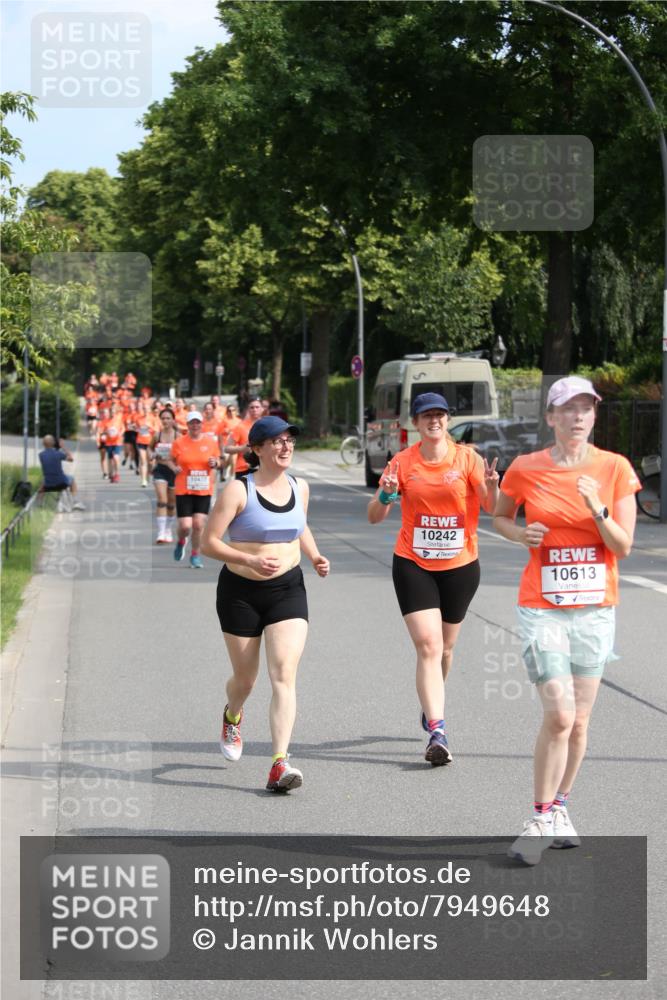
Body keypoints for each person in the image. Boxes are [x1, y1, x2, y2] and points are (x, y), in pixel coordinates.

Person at [493, 376, 639, 865]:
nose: (577, 417)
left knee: (579, 723)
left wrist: (595, 506)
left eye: (585, 408)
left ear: (594, 417)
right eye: (567, 409)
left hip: (595, 611)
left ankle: (560, 806)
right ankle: (538, 818)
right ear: (551, 418)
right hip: (542, 605)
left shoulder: (614, 469)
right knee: (558, 715)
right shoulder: (526, 467)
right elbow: (499, 516)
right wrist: (520, 534)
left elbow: (622, 546)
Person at [367, 392, 499, 766]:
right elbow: (374, 515)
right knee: (428, 644)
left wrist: (493, 484)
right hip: (414, 563)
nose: (434, 421)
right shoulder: (403, 462)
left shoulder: (467, 459)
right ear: (416, 422)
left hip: (460, 565)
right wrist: (387, 495)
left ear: (447, 420)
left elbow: (491, 507)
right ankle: (437, 730)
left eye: (440, 414)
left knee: (444, 650)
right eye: (426, 415)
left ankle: (430, 705)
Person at [201, 415, 329, 792]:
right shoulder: (238, 491)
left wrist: (316, 555)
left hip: (288, 589)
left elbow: (299, 523)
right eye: (276, 441)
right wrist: (249, 560)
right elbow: (208, 543)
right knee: (246, 679)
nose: (285, 446)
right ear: (257, 449)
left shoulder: (299, 486)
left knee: (284, 673)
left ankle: (279, 763)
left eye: (290, 440)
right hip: (240, 591)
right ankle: (232, 714)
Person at [168, 411, 222, 568]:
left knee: (198, 524)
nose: (195, 425)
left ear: (202, 424)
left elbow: (218, 461)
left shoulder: (210, 442)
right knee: (185, 526)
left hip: (203, 489)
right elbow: (170, 460)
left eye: (198, 422)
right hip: (184, 487)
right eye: (192, 422)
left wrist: (215, 463)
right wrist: (174, 468)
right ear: (187, 425)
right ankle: (181, 541)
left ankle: (195, 554)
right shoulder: (179, 442)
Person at [150, 407, 178, 543]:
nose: (165, 420)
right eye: (163, 418)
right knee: (162, 500)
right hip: (160, 469)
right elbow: (150, 449)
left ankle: (168, 529)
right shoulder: (157, 435)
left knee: (171, 504)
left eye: (168, 418)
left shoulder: (178, 436)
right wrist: (153, 455)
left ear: (173, 420)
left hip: (174, 471)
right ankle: (160, 532)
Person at [38, 436, 85, 510]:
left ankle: (39, 505)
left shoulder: (41, 455)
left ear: (43, 444)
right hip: (61, 482)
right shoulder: (58, 454)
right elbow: (71, 459)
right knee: (72, 479)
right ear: (53, 443)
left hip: (48, 484)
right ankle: (75, 502)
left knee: (43, 483)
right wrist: (63, 447)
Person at [225, 398, 264, 479]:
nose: (254, 410)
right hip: (244, 468)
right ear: (248, 410)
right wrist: (242, 448)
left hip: (263, 467)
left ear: (262, 409)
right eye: (252, 407)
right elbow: (227, 448)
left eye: (257, 407)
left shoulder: (267, 425)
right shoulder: (240, 426)